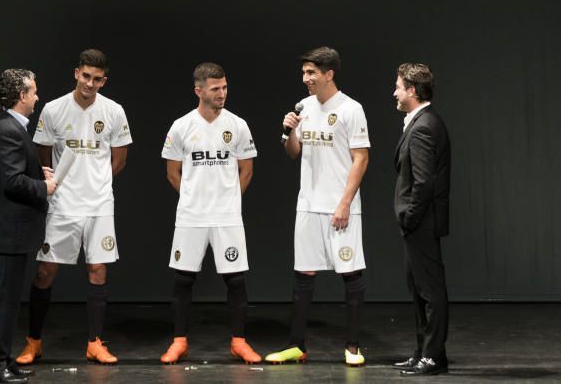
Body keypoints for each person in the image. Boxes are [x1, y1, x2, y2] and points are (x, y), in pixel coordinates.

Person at [15, 50, 132, 366]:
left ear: (103, 80)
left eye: (97, 79)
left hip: (99, 204)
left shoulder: (114, 111)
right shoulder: (53, 109)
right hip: (63, 203)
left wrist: (96, 184)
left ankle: (95, 343)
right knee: (45, 270)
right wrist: (57, 186)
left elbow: (119, 158)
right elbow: (43, 154)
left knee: (97, 269)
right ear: (76, 73)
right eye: (85, 76)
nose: (90, 84)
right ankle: (33, 342)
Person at [266, 47, 370, 367]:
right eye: (304, 73)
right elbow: (294, 152)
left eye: (312, 73)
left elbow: (361, 159)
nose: (306, 78)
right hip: (308, 205)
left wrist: (344, 203)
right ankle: (296, 345)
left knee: (350, 274)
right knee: (303, 274)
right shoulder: (303, 107)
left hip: (341, 207)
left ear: (329, 74)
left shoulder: (351, 109)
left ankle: (352, 347)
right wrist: (289, 132)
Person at [157, 62, 262, 365]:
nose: (222, 93)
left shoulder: (237, 125)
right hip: (191, 216)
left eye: (225, 87)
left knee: (236, 279)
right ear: (199, 90)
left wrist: (227, 201)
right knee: (183, 278)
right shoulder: (181, 126)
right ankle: (179, 341)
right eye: (216, 89)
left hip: (227, 217)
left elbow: (247, 170)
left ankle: (239, 342)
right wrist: (194, 198)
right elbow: (172, 173)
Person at [0, 69, 56, 383]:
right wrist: (43, 187)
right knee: (2, 303)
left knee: (7, 303)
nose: (37, 97)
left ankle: (3, 360)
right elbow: (11, 182)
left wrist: (38, 175)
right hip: (6, 235)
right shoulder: (9, 130)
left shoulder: (5, 126)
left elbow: (9, 174)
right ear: (22, 96)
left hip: (6, 234)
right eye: (33, 92)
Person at [391, 62, 451, 376]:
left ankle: (433, 356)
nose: (395, 93)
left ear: (412, 90)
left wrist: (410, 218)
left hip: (421, 222)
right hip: (418, 222)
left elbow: (424, 182)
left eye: (398, 87)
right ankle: (423, 352)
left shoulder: (425, 125)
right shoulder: (421, 121)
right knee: (419, 290)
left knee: (430, 291)